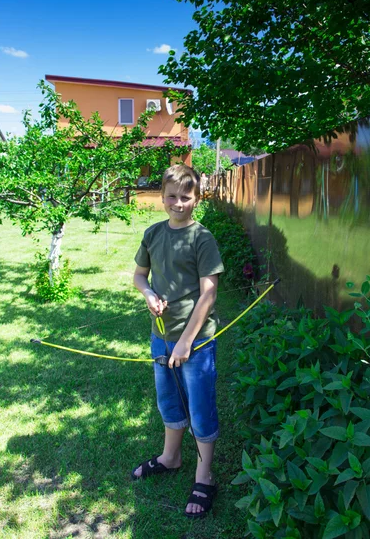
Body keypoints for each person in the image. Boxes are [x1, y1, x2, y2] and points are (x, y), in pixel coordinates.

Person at [131, 164, 224, 518]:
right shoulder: (153, 233)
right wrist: (149, 293)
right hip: (161, 337)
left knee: (199, 406)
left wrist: (186, 341)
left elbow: (208, 294)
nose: (178, 203)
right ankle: (171, 457)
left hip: (196, 343)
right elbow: (140, 276)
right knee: (168, 400)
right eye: (172, 196)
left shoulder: (202, 238)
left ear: (197, 198)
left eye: (186, 197)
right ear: (162, 197)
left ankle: (205, 475)